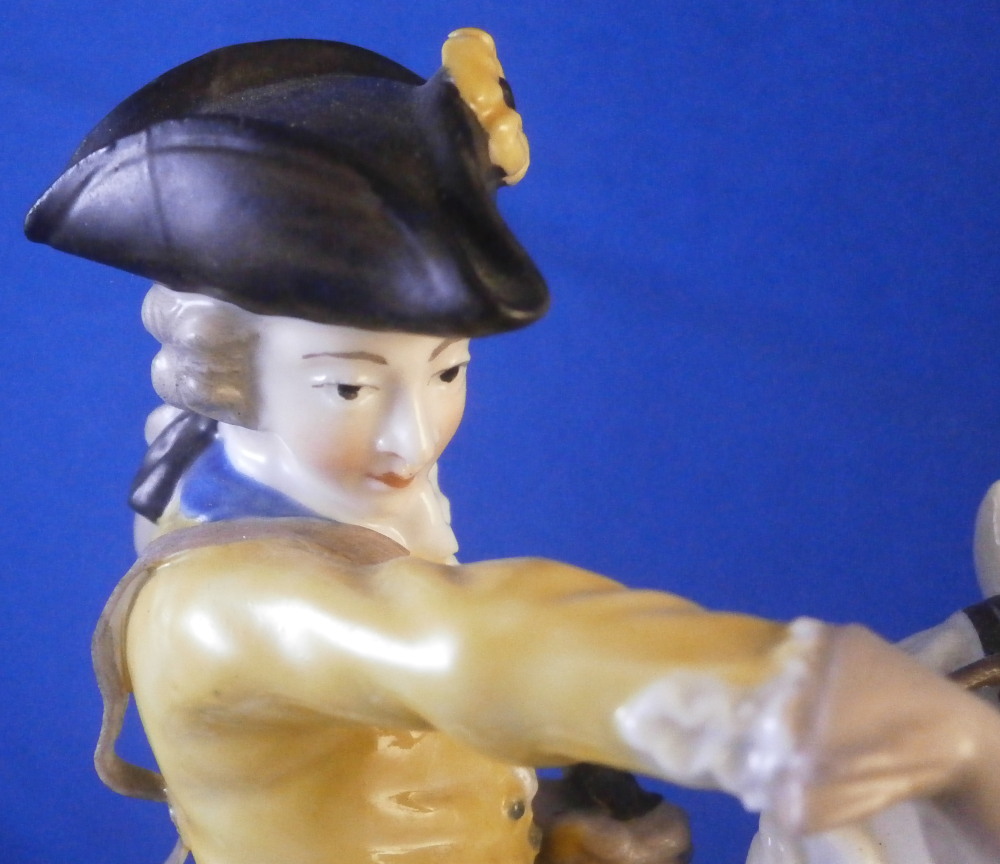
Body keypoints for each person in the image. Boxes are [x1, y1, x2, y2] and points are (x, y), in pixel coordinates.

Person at [25, 28, 1000, 864]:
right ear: (232, 382)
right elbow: (476, 648)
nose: (411, 436)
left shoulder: (305, 495)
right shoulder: (233, 603)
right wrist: (818, 706)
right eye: (349, 387)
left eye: (446, 371)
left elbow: (397, 740)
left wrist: (546, 822)